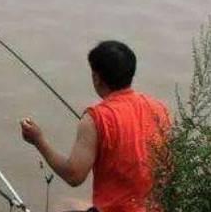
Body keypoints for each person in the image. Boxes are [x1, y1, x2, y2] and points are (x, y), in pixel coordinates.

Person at [19, 40, 170, 212]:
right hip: (153, 208)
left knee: (59, 206)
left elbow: (74, 176)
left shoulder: (95, 118)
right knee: (68, 204)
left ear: (96, 78)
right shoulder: (160, 109)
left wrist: (38, 140)